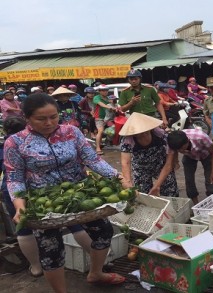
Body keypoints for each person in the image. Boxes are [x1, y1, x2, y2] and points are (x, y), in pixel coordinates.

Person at [4, 93, 125, 292]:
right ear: (28, 118)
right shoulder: (15, 142)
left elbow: (92, 160)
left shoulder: (72, 132)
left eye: (54, 116)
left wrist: (118, 177)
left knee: (103, 232)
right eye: (41, 119)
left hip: (80, 194)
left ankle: (96, 273)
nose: (49, 122)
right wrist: (20, 206)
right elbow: (15, 178)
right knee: (51, 250)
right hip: (45, 200)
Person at [120, 113, 178, 196]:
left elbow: (169, 164)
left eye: (144, 132)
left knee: (170, 192)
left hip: (161, 164)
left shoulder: (161, 135)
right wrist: (128, 184)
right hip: (140, 168)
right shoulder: (127, 140)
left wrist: (157, 186)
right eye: (138, 133)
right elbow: (125, 163)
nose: (142, 134)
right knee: (142, 194)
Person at [167, 130, 213, 204]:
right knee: (189, 180)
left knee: (210, 180)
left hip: (206, 154)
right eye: (178, 150)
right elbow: (174, 151)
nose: (181, 151)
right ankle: (195, 205)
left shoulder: (201, 137)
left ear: (187, 141)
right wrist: (176, 161)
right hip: (190, 156)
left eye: (182, 148)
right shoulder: (172, 142)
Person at [93, 84, 115, 155]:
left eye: (106, 90)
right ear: (99, 91)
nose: (105, 92)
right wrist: (109, 107)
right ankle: (97, 148)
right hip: (99, 117)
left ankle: (106, 142)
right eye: (103, 90)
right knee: (101, 131)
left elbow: (113, 106)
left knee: (113, 130)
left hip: (108, 118)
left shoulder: (108, 99)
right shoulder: (96, 97)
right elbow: (100, 104)